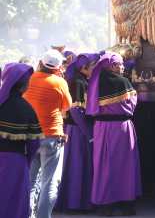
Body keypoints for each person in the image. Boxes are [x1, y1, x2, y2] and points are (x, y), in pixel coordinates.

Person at [86, 52, 141, 216]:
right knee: (125, 166)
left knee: (103, 166)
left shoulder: (93, 83)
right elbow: (131, 105)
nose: (123, 67)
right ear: (111, 66)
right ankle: (127, 205)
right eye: (119, 64)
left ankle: (105, 206)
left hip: (101, 128)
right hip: (122, 128)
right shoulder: (124, 82)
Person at [24, 49, 71, 218]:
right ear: (57, 68)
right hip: (52, 135)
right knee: (50, 182)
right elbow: (66, 107)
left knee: (30, 181)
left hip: (30, 136)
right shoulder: (59, 83)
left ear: (41, 63)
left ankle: (28, 215)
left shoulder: (28, 79)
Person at [56, 53, 99, 212]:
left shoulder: (80, 80)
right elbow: (75, 111)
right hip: (77, 131)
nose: (95, 69)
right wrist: (88, 133)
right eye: (93, 66)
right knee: (77, 165)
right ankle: (75, 204)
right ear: (83, 68)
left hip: (77, 129)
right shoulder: (78, 82)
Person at [0, 63, 42, 218]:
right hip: (15, 162)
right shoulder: (27, 109)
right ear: (24, 86)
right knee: (13, 201)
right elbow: (34, 144)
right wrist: (26, 162)